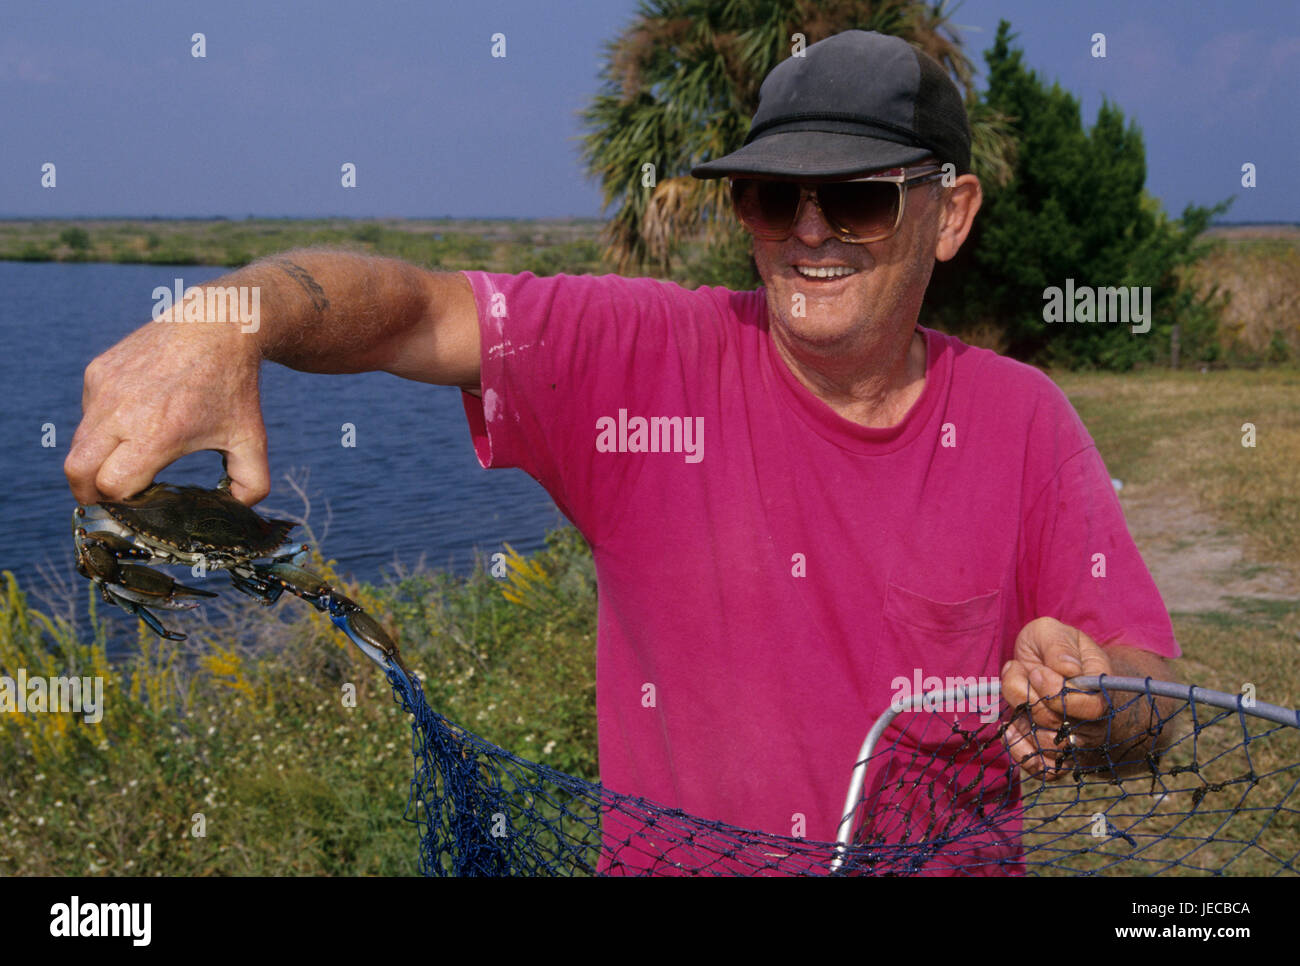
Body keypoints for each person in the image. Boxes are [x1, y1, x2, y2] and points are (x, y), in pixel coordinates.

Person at [66, 30, 1178, 873]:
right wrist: (222, 321)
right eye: (767, 194)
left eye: (856, 198)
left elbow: (1153, 700)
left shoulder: (1022, 422)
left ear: (951, 212)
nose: (805, 231)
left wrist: (1095, 701)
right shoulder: (645, 359)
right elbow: (411, 309)